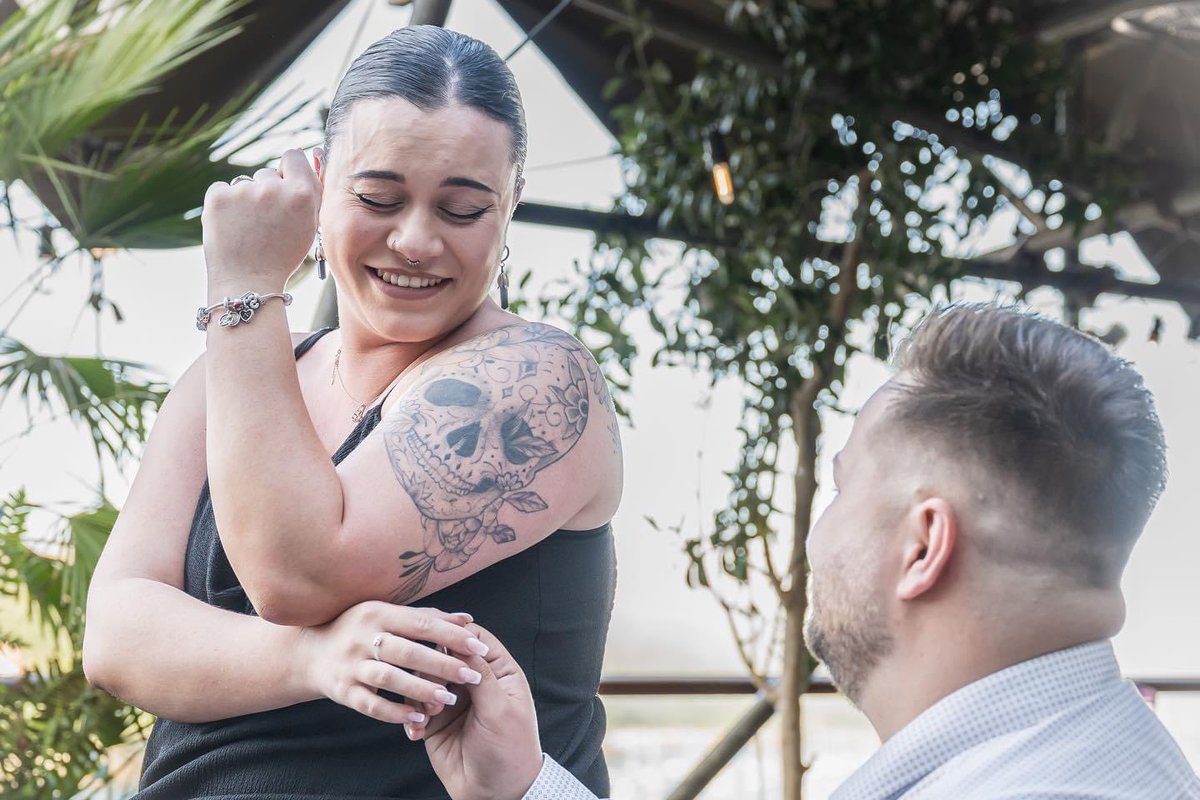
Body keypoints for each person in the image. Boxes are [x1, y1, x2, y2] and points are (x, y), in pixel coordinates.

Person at [82, 25, 622, 799]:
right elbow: (115, 636)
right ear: (317, 186)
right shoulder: (227, 378)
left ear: (510, 208)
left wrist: (245, 284)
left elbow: (297, 573)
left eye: (463, 209)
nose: (415, 240)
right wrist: (313, 659)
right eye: (378, 198)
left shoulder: (538, 378)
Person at [420, 304, 1200, 799]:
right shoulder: (1081, 751)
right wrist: (522, 784)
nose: (813, 539)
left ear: (923, 545)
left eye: (841, 487)